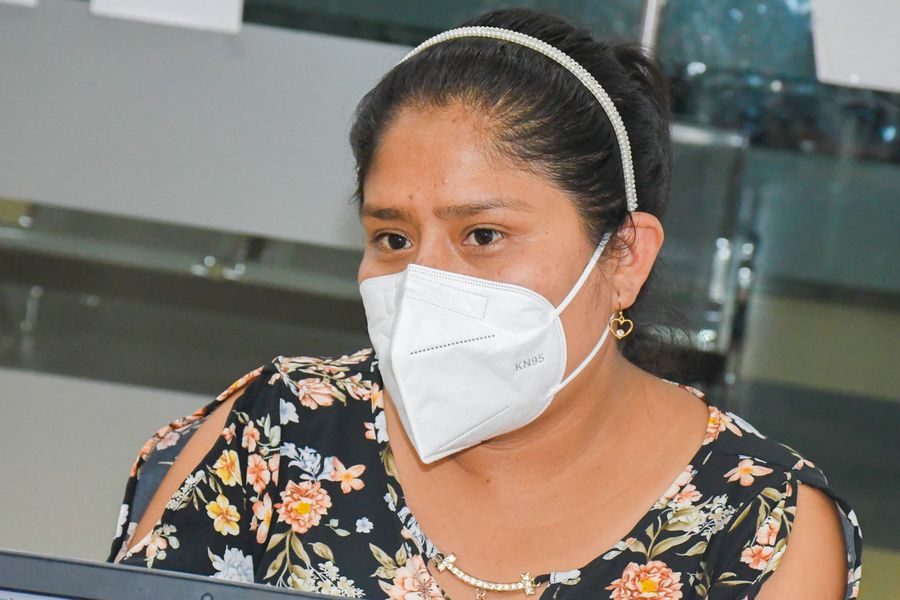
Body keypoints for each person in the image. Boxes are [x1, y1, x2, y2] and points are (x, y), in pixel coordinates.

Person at [107, 8, 863, 599]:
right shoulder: (277, 438)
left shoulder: (759, 525)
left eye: (484, 235)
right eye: (393, 238)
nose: (425, 280)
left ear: (623, 256)